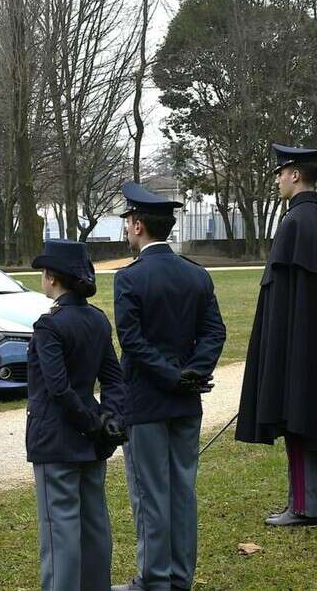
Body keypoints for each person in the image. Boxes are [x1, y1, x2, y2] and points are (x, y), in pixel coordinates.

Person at [235, 144, 317, 528]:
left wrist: (281, 352)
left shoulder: (298, 221)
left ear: (294, 174)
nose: (277, 179)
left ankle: (305, 507)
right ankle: (308, 503)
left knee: (303, 419)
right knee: (312, 417)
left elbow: (291, 300)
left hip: (302, 346)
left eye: (281, 172)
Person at [111, 183, 226, 591]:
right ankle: (179, 578)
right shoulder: (195, 274)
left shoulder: (129, 278)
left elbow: (132, 340)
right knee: (181, 491)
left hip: (146, 399)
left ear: (139, 225)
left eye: (128, 221)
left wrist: (174, 377)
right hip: (184, 400)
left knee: (150, 494)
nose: (127, 228)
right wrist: (192, 373)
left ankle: (153, 579)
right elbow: (214, 332)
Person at [26, 239, 125, 591]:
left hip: (57, 438)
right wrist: (107, 419)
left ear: (52, 278)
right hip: (91, 437)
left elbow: (57, 387)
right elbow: (114, 378)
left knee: (60, 533)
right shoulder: (97, 320)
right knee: (94, 524)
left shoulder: (49, 325)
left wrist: (94, 424)